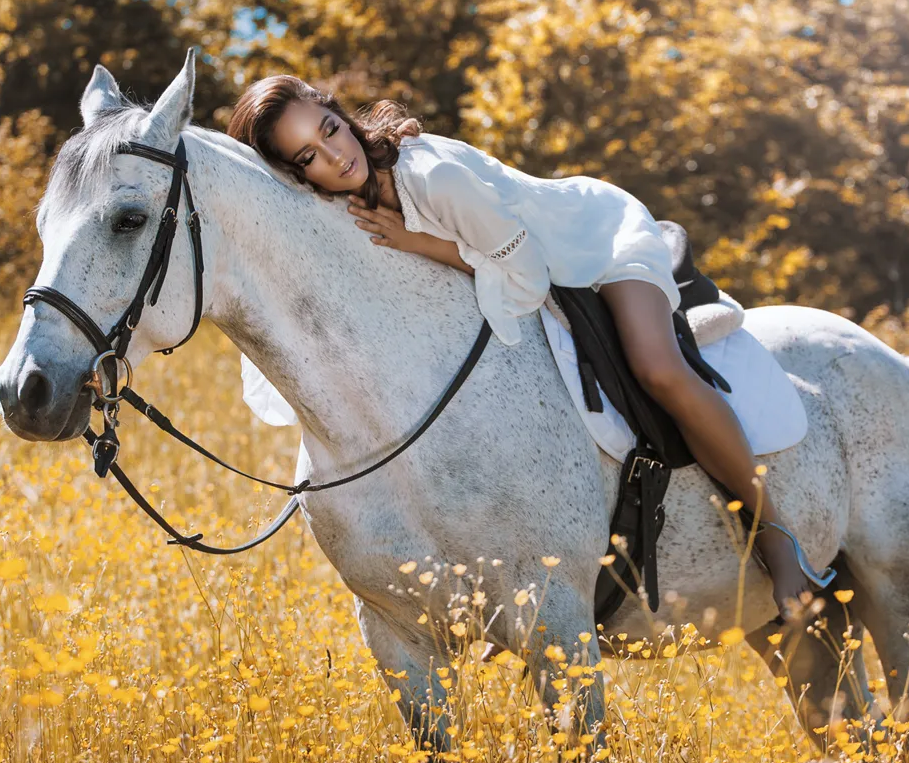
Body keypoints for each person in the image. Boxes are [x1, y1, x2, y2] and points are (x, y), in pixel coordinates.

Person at [226, 76, 822, 618]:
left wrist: (418, 243)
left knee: (657, 366)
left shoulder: (433, 178)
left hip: (592, 244)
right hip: (520, 262)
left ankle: (775, 533)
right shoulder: (337, 200)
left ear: (338, 113)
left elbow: (529, 279)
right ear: (297, 174)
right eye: (309, 156)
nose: (335, 156)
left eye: (330, 129)